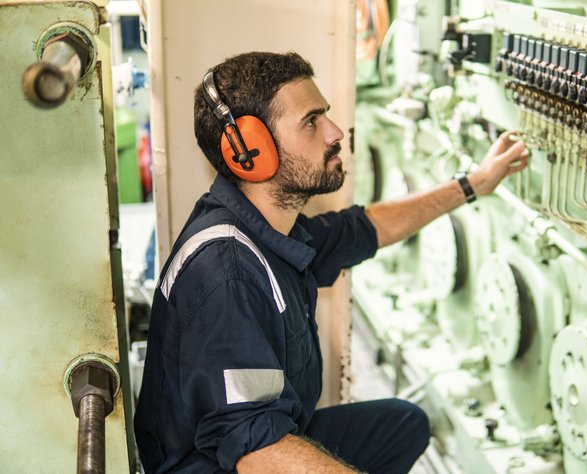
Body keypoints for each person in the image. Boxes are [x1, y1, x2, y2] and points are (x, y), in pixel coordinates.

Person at [134, 51, 528, 473]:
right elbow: (255, 451)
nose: (335, 132)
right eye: (311, 121)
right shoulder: (227, 269)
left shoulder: (270, 231)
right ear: (251, 151)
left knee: (401, 424)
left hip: (265, 435)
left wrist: (473, 184)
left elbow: (364, 227)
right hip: (217, 465)